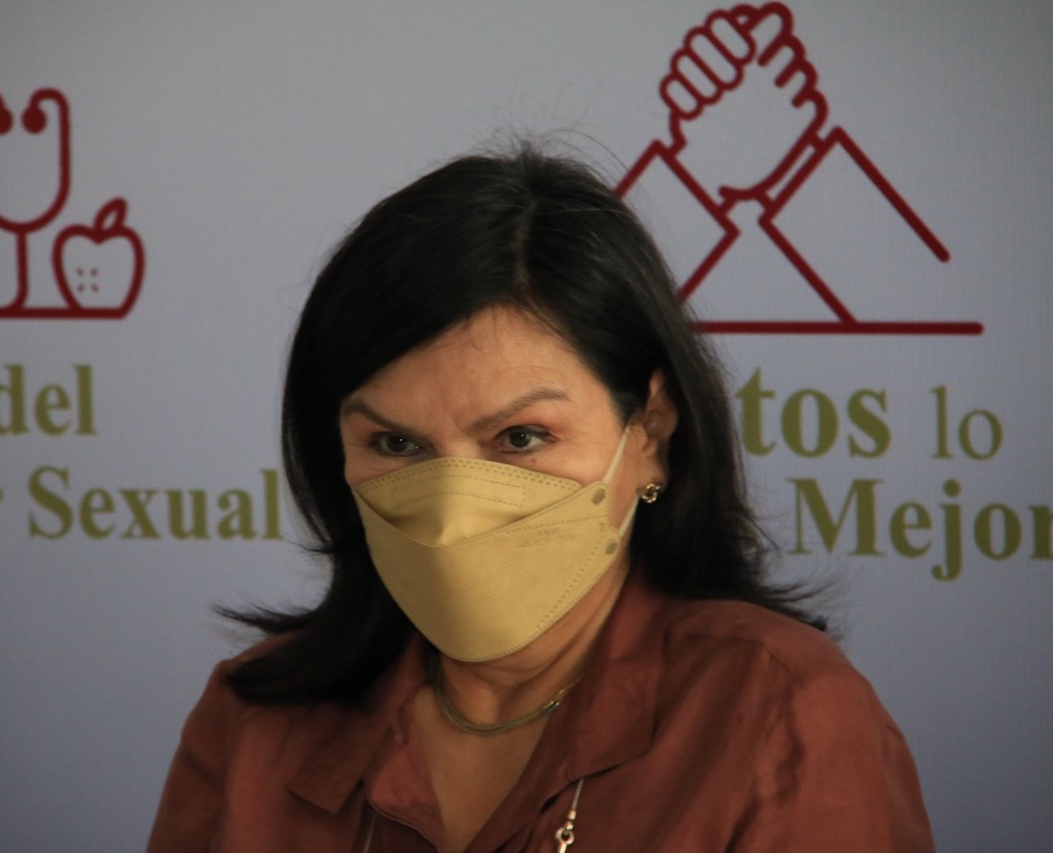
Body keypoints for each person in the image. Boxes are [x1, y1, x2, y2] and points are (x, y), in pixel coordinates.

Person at [147, 146, 932, 851]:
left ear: (651, 433)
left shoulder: (780, 714)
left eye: (520, 437)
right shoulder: (254, 720)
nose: (453, 514)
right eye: (396, 444)